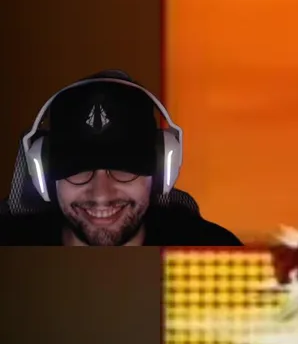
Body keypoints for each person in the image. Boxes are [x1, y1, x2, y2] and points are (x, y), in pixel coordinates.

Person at [0, 71, 241, 246]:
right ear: (43, 171)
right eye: (77, 169)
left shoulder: (215, 253)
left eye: (124, 168)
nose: (101, 194)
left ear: (161, 168)